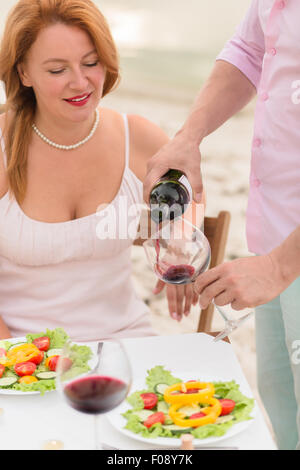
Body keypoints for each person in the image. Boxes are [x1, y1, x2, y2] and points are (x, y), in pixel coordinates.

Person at [143, 0, 300, 450]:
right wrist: (187, 137)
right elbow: (250, 50)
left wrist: (280, 267)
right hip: (272, 239)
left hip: (285, 259)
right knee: (280, 396)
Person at [0, 0, 199, 342]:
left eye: (90, 63)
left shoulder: (137, 138)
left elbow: (190, 192)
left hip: (125, 342)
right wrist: (16, 359)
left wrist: (180, 237)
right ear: (24, 73)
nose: (80, 82)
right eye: (57, 70)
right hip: (20, 352)